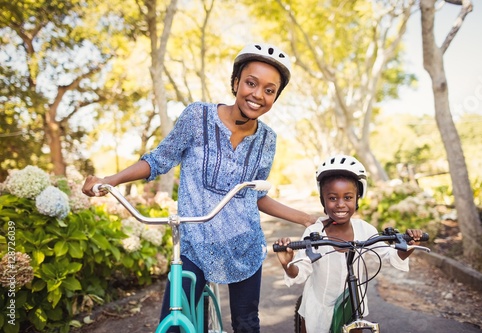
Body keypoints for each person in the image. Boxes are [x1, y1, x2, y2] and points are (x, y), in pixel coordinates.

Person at [82, 43, 315, 333]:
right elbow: (158, 160)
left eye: (269, 90)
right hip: (194, 242)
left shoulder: (267, 140)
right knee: (176, 325)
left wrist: (308, 219)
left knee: (246, 324)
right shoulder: (197, 118)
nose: (258, 95)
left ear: (275, 97)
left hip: (244, 243)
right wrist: (110, 180)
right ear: (235, 83)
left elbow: (256, 195)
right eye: (251, 83)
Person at [275, 154, 424, 333]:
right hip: (319, 306)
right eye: (332, 198)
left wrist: (408, 246)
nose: (340, 204)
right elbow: (299, 271)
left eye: (347, 197)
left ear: (357, 198)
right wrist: (287, 263)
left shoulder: (365, 229)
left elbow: (391, 254)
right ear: (323, 199)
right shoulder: (314, 233)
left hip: (352, 304)